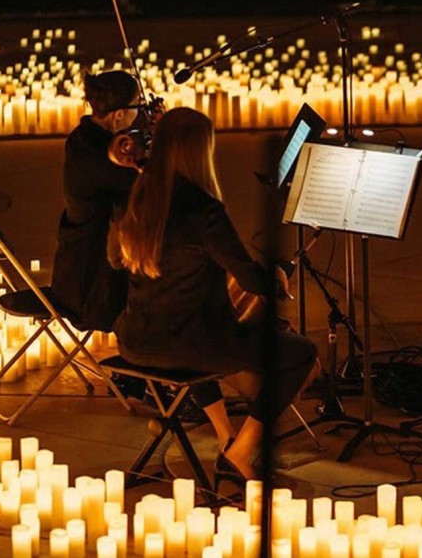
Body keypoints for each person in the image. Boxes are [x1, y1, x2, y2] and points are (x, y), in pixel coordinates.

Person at [111, 107, 318, 484]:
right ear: (199, 152)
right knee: (300, 353)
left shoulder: (139, 195)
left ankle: (225, 434)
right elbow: (253, 282)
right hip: (189, 347)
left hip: (135, 340)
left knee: (190, 322)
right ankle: (241, 452)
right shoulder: (203, 210)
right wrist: (274, 275)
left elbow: (118, 259)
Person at [50, 71, 144, 333]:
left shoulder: (85, 137)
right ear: (118, 115)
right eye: (137, 107)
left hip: (73, 270)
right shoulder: (101, 156)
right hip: (91, 287)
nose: (141, 112)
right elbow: (143, 181)